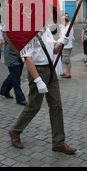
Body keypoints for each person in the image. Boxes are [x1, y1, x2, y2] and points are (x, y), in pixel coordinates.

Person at [8, 25, 77, 155]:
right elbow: (27, 57)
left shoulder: (45, 30)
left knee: (56, 106)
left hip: (50, 69)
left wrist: (61, 42)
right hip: (38, 70)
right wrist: (38, 80)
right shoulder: (28, 31)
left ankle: (59, 142)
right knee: (34, 106)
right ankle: (15, 131)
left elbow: (54, 51)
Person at [0, 34, 27, 105]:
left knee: (14, 75)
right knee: (16, 78)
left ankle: (4, 90)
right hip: (11, 55)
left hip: (20, 55)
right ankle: (20, 98)